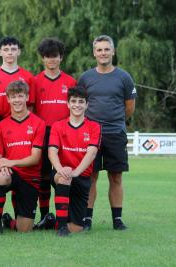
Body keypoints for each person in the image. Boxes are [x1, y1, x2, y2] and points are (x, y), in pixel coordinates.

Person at [78, 35, 137, 230]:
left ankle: (117, 220)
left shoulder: (124, 77)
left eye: (106, 49)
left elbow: (129, 107)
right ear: (94, 53)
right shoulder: (86, 78)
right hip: (90, 135)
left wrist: (115, 121)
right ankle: (87, 219)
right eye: (99, 50)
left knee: (116, 177)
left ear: (113, 51)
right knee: (90, 176)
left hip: (115, 133)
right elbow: (79, 105)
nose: (103, 53)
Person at [0, 80, 45, 234]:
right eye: (13, 97)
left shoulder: (38, 123)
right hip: (11, 173)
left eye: (20, 96)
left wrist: (10, 162)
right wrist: (0, 162)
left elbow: (35, 158)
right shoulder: (0, 126)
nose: (17, 100)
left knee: (24, 229)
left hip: (30, 177)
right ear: (7, 99)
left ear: (27, 97)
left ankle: (8, 221)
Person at [33, 37, 77, 229]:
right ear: (42, 59)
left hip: (64, 133)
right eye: (47, 57)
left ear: (61, 58)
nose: (51, 60)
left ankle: (65, 214)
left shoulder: (70, 81)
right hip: (42, 133)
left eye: (55, 56)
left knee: (64, 174)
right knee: (43, 176)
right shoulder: (34, 81)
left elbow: (76, 109)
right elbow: (31, 110)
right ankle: (45, 215)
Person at [48, 86, 101, 236]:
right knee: (64, 179)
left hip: (81, 177)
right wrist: (60, 169)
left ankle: (54, 221)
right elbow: (52, 151)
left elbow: (91, 153)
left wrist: (76, 172)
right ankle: (61, 228)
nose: (77, 104)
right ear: (68, 104)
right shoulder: (58, 126)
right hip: (62, 174)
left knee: (77, 228)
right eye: (73, 101)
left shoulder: (94, 126)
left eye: (81, 101)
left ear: (86, 105)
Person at [0, 36, 35, 128]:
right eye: (6, 49)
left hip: (21, 121)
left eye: (13, 49)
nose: (10, 53)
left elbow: (30, 105)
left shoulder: (28, 77)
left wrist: (26, 121)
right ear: (0, 52)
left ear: (19, 52)